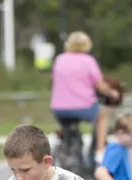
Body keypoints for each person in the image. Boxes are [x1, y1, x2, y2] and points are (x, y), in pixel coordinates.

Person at [50, 31, 119, 167]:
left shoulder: (59, 59)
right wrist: (112, 93)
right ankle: (99, 151)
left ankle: (65, 148)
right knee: (103, 115)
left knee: (68, 128)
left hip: (58, 109)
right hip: (82, 108)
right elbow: (100, 85)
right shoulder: (88, 61)